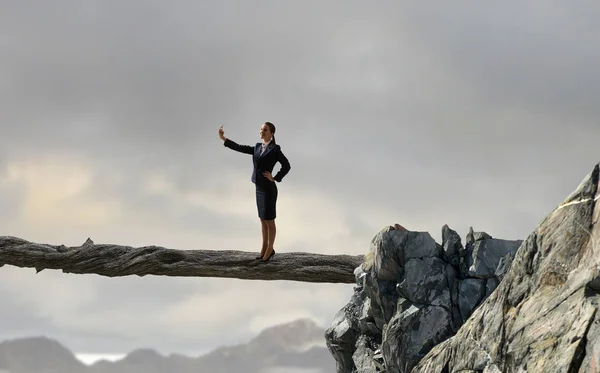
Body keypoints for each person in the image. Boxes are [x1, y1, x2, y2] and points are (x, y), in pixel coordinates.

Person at [218, 122, 291, 262]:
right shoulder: (258, 147)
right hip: (259, 188)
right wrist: (224, 139)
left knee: (269, 220)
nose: (262, 132)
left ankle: (270, 249)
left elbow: (287, 165)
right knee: (262, 219)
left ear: (271, 133)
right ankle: (264, 248)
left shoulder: (275, 149)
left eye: (265, 130)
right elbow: (240, 148)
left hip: (269, 188)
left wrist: (275, 177)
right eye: (261, 129)